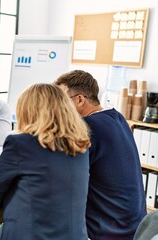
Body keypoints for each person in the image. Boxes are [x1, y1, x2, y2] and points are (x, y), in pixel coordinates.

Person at [0, 83, 91, 239]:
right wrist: (3, 175)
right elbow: (48, 180)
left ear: (28, 112)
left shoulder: (22, 143)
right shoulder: (80, 145)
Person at [55, 70, 147, 239]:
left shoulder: (87, 126)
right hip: (134, 226)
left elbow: (59, 176)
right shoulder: (117, 117)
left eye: (61, 101)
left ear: (80, 100)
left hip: (107, 230)